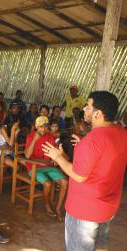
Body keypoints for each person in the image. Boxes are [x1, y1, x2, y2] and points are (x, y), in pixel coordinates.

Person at [43, 91, 127, 251]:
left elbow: (79, 176)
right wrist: (84, 146)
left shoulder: (93, 140)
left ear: (98, 114)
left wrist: (58, 157)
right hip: (108, 206)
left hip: (85, 211)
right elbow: (106, 156)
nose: (84, 109)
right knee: (101, 246)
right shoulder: (122, 134)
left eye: (88, 106)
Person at [25, 116, 67, 220]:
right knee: (48, 183)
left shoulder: (50, 137)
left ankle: (58, 208)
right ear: (36, 126)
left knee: (65, 182)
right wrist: (35, 139)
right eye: (40, 127)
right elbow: (27, 155)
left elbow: (54, 152)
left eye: (45, 126)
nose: (43, 129)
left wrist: (55, 159)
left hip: (48, 166)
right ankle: (47, 204)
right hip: (34, 167)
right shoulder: (30, 136)